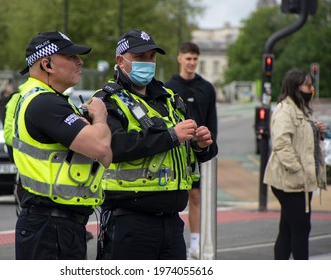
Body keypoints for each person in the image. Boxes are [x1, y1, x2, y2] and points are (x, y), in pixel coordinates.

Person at [94, 29, 218, 260]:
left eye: (152, 57)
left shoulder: (170, 98)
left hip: (171, 223)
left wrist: (201, 144)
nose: (148, 63)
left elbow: (196, 151)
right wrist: (171, 135)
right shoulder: (107, 101)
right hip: (129, 222)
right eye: (140, 58)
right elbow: (112, 147)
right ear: (121, 61)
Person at [12, 31, 112, 260]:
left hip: (57, 225)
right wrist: (100, 117)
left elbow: (106, 156)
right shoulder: (44, 103)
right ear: (46, 64)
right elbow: (102, 148)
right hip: (50, 226)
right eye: (70, 56)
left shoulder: (46, 99)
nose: (80, 62)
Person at [263, 68, 327, 260]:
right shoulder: (286, 110)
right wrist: (299, 171)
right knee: (300, 228)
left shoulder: (302, 110)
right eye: (307, 85)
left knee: (288, 228)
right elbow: (282, 145)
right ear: (295, 88)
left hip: (298, 181)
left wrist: (318, 131)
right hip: (290, 181)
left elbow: (303, 141)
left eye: (311, 85)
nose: (311, 89)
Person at [165, 42, 218, 260]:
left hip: (197, 151)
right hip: (175, 151)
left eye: (195, 58)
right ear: (179, 59)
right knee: (175, 195)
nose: (192, 63)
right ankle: (174, 240)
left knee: (196, 196)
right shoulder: (168, 87)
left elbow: (211, 122)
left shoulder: (206, 88)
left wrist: (209, 146)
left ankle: (195, 245)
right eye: (188, 58)